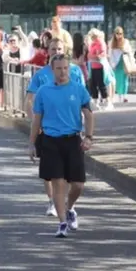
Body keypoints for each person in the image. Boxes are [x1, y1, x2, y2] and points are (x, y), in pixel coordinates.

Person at [29, 54, 94, 238]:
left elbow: (89, 115)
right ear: (52, 70)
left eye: (65, 68)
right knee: (58, 182)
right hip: (50, 140)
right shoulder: (43, 91)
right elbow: (36, 120)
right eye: (58, 68)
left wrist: (89, 137)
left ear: (69, 69)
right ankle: (62, 222)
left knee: (78, 185)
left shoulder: (78, 89)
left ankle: (70, 207)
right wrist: (31, 144)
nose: (62, 72)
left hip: (73, 139)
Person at [24, 38, 86, 216]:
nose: (56, 51)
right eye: (53, 48)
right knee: (51, 170)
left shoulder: (75, 72)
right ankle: (52, 200)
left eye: (59, 48)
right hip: (47, 127)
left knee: (67, 172)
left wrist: (82, 119)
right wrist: (36, 120)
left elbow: (82, 96)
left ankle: (64, 202)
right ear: (48, 51)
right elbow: (30, 99)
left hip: (70, 128)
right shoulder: (41, 75)